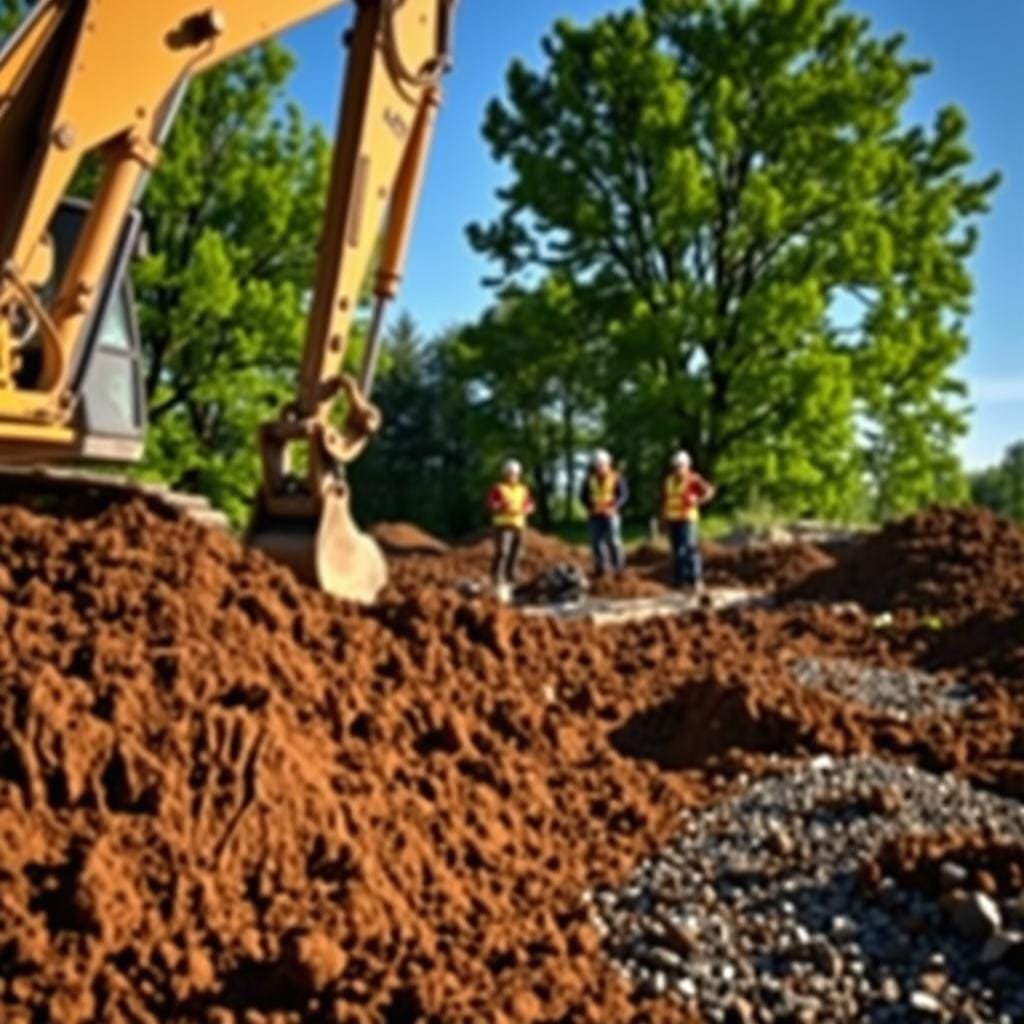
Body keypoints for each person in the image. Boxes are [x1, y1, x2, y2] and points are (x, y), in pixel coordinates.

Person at [661, 450, 715, 590]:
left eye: (681, 466)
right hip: (673, 519)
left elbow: (709, 491)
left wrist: (697, 500)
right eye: (676, 466)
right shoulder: (669, 481)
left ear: (687, 466)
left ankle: (695, 579)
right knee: (676, 551)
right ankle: (679, 580)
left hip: (687, 519)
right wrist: (664, 518)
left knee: (689, 549)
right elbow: (666, 501)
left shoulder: (693, 479)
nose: (678, 469)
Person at [487, 458, 535, 600]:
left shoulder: (523, 489)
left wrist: (527, 509)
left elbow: (530, 504)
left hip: (519, 524)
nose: (512, 476)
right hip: (503, 525)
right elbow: (491, 504)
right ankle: (497, 576)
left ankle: (512, 574)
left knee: (517, 551)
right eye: (510, 473)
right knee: (503, 551)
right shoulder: (498, 488)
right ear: (505, 474)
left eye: (515, 473)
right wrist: (502, 507)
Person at [579, 449, 628, 578]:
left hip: (610, 515)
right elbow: (583, 497)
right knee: (596, 542)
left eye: (602, 465)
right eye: (597, 465)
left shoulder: (616, 477)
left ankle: (619, 568)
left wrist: (614, 507)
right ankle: (601, 569)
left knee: (614, 541)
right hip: (595, 516)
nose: (600, 468)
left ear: (608, 464)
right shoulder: (589, 480)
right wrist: (590, 507)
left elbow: (623, 495)